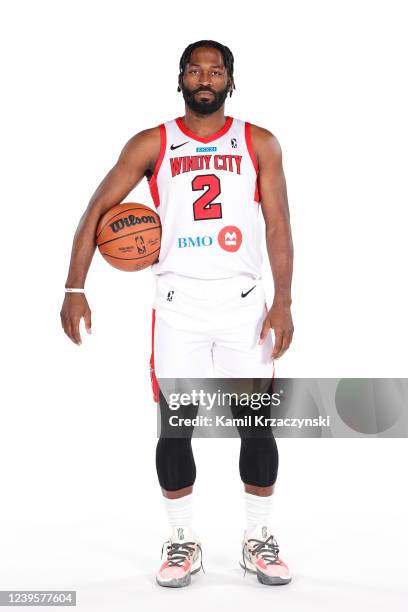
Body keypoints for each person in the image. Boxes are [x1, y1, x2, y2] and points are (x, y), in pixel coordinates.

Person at [60, 39, 294, 588]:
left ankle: (257, 540)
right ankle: (182, 541)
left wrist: (282, 299)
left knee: (257, 429)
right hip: (178, 307)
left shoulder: (259, 142)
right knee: (176, 430)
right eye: (195, 70)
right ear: (181, 79)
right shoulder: (152, 143)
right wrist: (75, 285)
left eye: (216, 71)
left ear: (230, 81)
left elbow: (279, 223)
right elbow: (97, 208)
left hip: (243, 306)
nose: (205, 78)